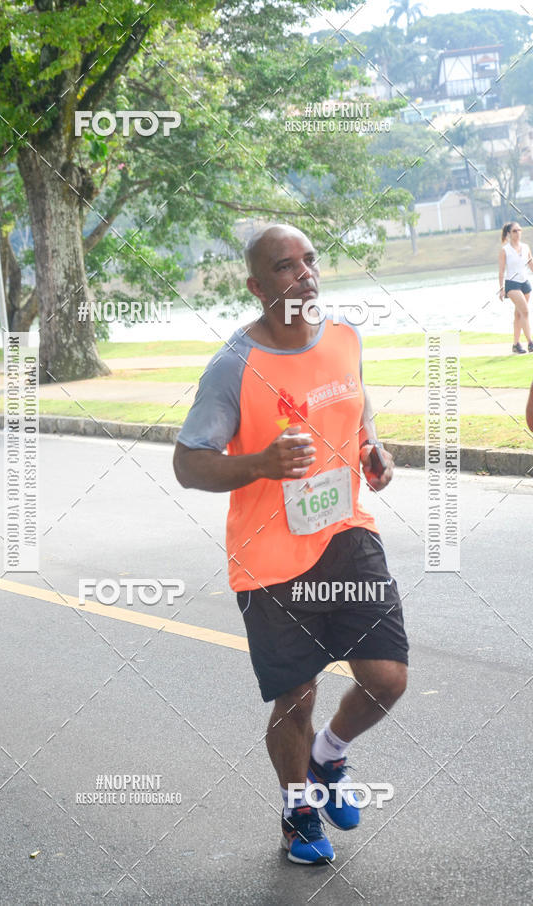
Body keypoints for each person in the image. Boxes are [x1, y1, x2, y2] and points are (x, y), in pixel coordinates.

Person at [173, 224, 408, 866]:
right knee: (295, 696)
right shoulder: (233, 366)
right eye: (285, 267)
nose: (304, 274)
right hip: (269, 557)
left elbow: (360, 418)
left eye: (310, 260)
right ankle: (297, 811)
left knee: (388, 677)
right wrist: (259, 463)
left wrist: (374, 454)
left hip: (347, 532)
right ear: (256, 286)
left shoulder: (345, 338)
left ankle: (330, 756)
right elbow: (188, 464)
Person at [498, 221, 533, 354]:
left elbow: (531, 265)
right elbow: (501, 271)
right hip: (512, 284)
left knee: (519, 314)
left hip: (525, 283)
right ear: (508, 233)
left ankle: (516, 344)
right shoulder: (504, 250)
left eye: (519, 230)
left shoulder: (525, 247)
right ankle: (530, 342)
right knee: (525, 311)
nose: (518, 233)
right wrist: (501, 288)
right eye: (514, 231)